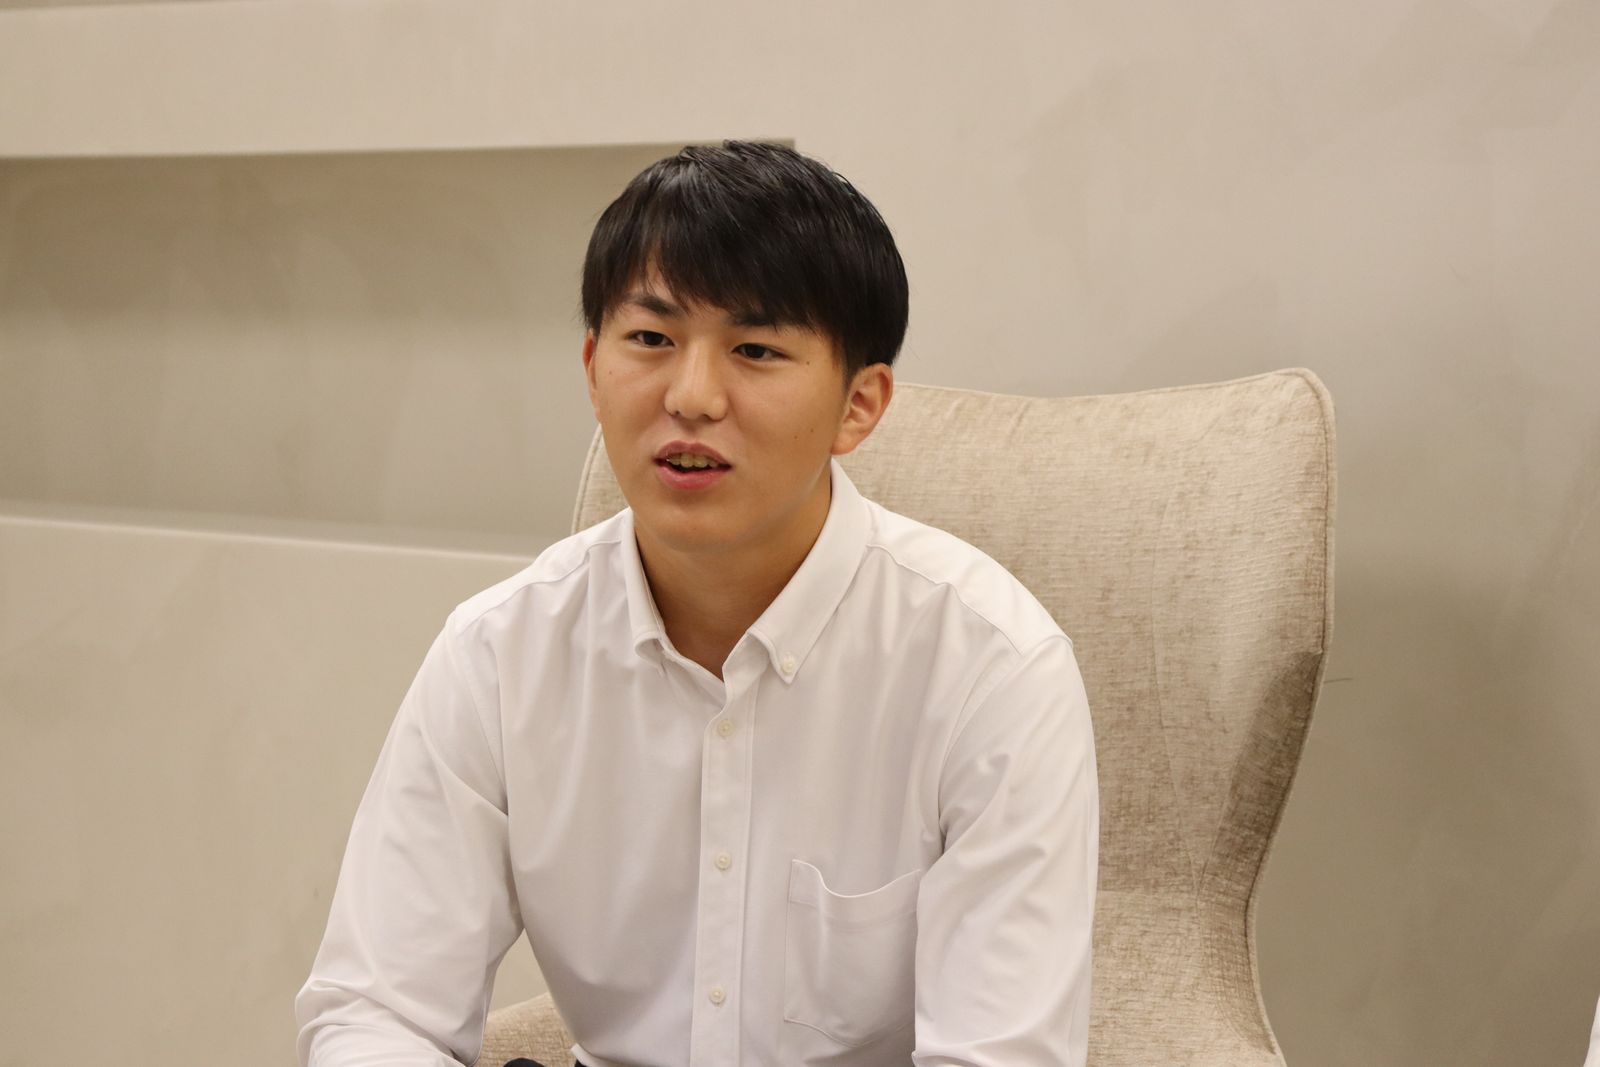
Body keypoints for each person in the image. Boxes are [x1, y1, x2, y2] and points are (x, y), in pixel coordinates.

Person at [294, 140, 1098, 1067]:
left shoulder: (993, 670)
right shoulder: (500, 651)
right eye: (651, 340)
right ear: (593, 367)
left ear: (859, 405)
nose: (692, 396)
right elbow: (374, 1010)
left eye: (756, 350)